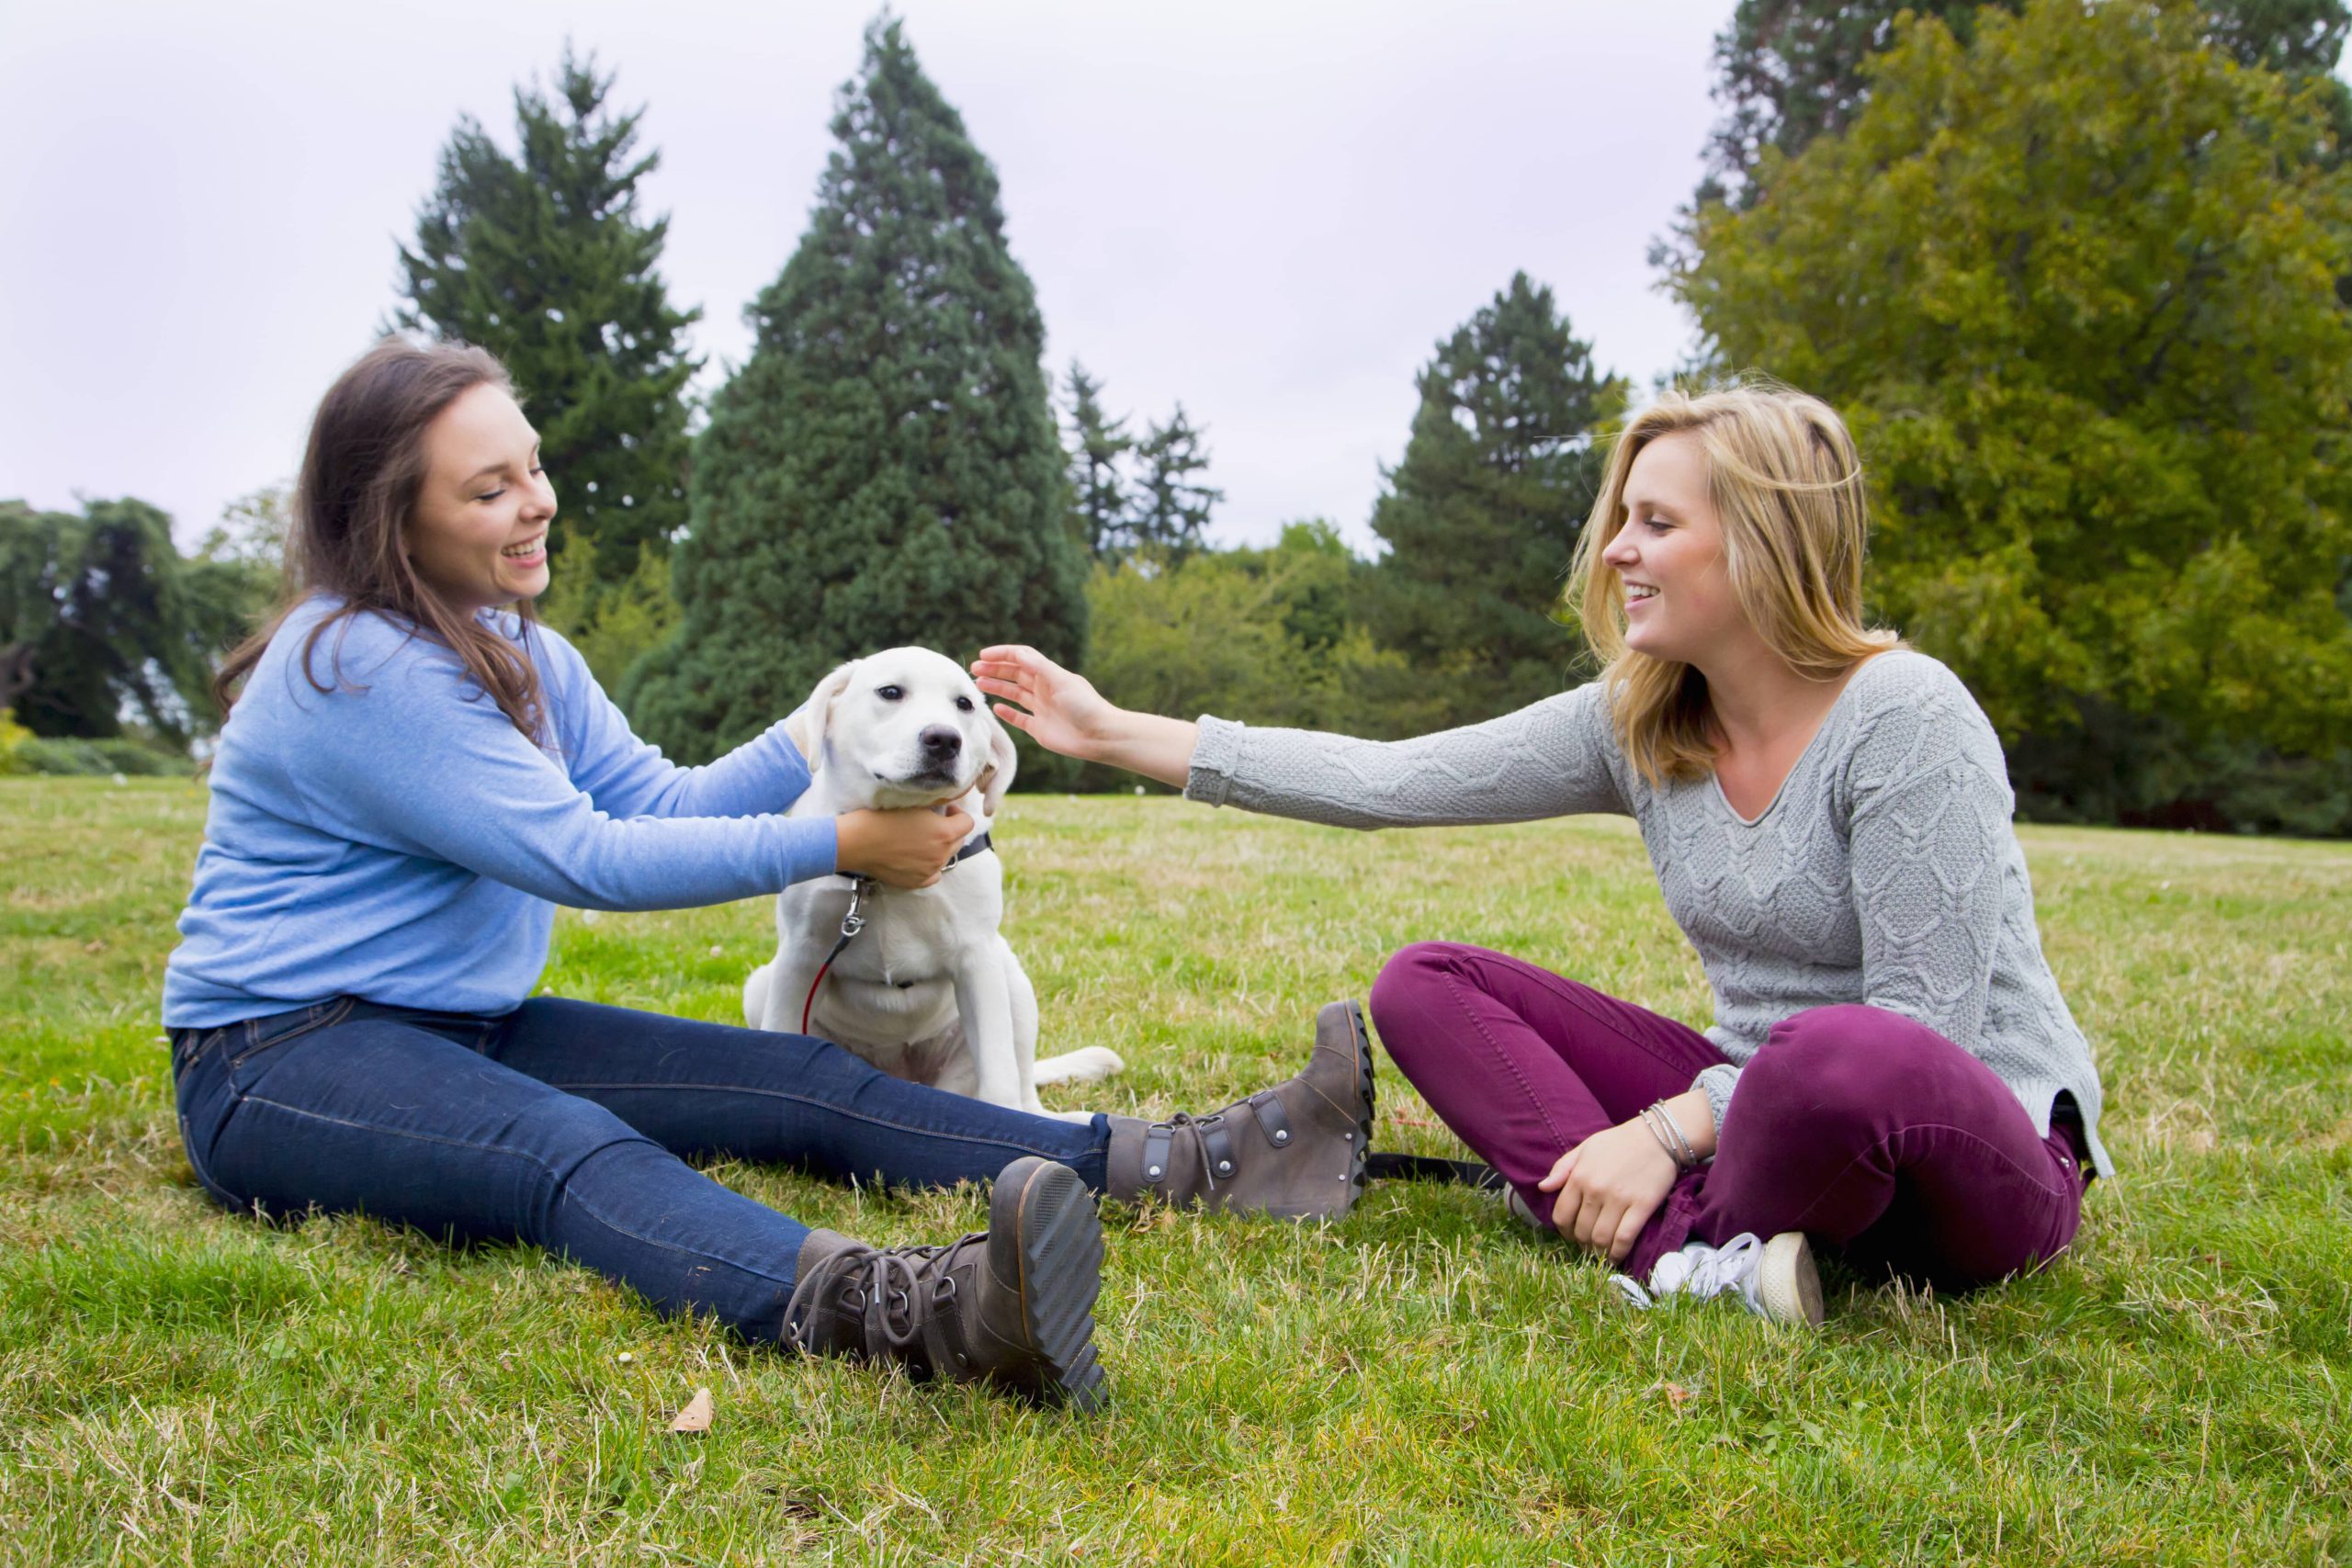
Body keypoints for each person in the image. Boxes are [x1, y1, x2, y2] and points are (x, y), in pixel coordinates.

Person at [164, 338, 1374, 1413]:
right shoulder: (355, 663)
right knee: (566, 1148)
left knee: (790, 1069)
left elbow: (659, 798)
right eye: (490, 488)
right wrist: (843, 843)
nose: (536, 503)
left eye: (532, 464)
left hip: (456, 1025)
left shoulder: (525, 647)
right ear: (390, 516)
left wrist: (820, 718)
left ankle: (1199, 1161)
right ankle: (924, 1314)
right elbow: (586, 855)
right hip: (277, 1056)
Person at [972, 379, 2109, 1326]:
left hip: (1961, 1151)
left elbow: (1920, 1035)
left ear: (1762, 540)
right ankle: (1690, 1258)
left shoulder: (1904, 713)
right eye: (1623, 518)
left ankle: (1657, 1212)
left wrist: (1663, 1130)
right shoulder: (1640, 717)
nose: (1616, 549)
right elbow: (1390, 780)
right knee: (1426, 983)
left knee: (1833, 1057)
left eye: (1656, 523)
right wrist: (1113, 731)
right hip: (1752, 1116)